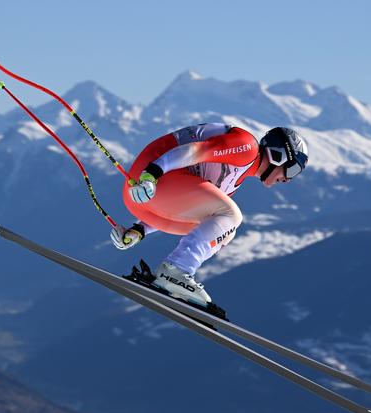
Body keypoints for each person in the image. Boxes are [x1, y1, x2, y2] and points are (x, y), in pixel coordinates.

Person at [110, 123, 308, 307]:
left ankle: (175, 273)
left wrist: (139, 230)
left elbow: (187, 200)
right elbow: (196, 150)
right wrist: (152, 173)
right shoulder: (247, 147)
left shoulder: (236, 177)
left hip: (145, 194)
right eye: (293, 170)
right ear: (279, 154)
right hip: (152, 177)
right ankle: (175, 270)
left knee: (222, 227)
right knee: (232, 216)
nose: (287, 180)